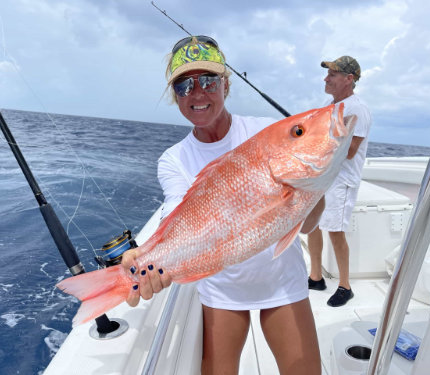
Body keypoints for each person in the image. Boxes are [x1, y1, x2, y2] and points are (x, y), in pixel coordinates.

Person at [121, 35, 323, 374]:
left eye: (209, 80)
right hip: (222, 285)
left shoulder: (269, 133)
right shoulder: (174, 159)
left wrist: (313, 190)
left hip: (280, 279)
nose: (198, 93)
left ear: (226, 85)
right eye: (184, 85)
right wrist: (145, 256)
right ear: (175, 96)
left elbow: (311, 224)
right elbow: (176, 215)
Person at [307, 56, 372, 307]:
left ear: (349, 79)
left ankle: (345, 286)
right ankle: (316, 277)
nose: (326, 78)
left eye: (332, 74)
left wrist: (322, 139)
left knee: (335, 231)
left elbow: (351, 150)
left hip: (341, 181)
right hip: (322, 177)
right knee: (313, 225)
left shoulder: (357, 109)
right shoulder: (329, 103)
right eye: (328, 74)